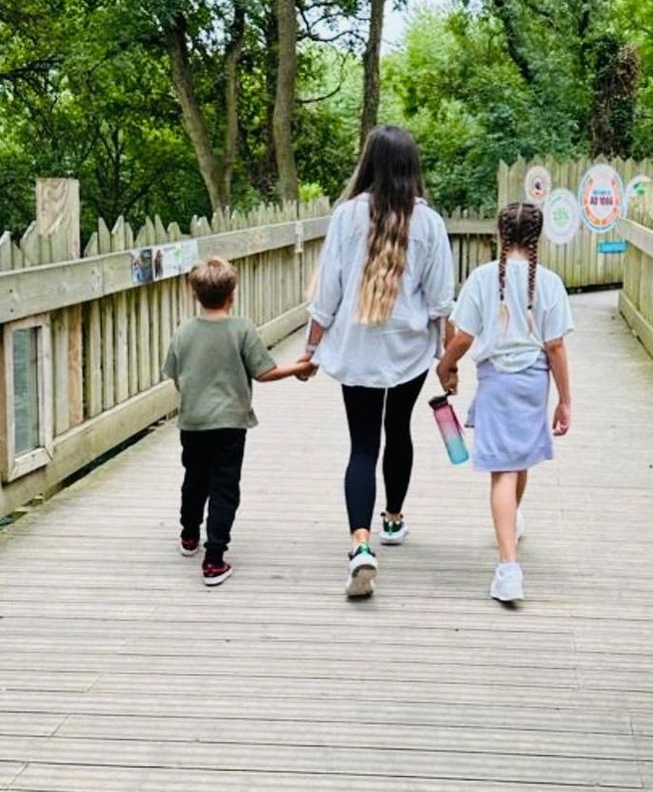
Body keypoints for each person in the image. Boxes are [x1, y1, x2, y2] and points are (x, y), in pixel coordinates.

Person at [302, 126, 455, 597]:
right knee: (400, 431)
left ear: (368, 163)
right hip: (408, 350)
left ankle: (360, 544)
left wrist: (310, 350)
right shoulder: (429, 223)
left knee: (362, 446)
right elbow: (441, 302)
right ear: (412, 167)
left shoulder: (347, 217)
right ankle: (392, 519)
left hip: (358, 350)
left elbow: (326, 296)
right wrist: (448, 362)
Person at [436, 202, 572, 603]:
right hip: (533, 381)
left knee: (503, 471)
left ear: (499, 235)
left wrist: (446, 366)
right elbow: (556, 345)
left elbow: (461, 336)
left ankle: (508, 568)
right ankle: (511, 527)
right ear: (538, 237)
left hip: (496, 380)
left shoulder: (481, 279)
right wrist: (565, 400)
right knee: (519, 459)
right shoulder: (548, 282)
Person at [164, 256, 314, 586]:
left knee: (195, 478)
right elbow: (264, 372)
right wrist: (299, 368)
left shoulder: (183, 332)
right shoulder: (241, 329)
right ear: (233, 293)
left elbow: (176, 376)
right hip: (230, 423)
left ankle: (190, 534)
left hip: (193, 421)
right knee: (224, 487)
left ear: (194, 294)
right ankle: (214, 558)